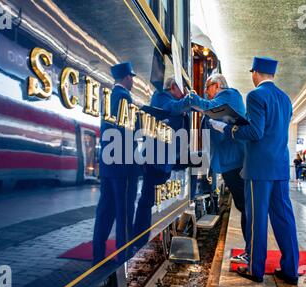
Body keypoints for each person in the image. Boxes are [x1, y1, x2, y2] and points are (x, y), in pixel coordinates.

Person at [220, 57, 300, 284]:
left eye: (252, 73)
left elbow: (256, 132)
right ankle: (291, 270)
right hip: (280, 168)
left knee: (257, 219)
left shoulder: (255, 95)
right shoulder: (285, 99)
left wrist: (230, 129)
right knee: (284, 218)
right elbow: (272, 129)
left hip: (259, 170)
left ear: (256, 72)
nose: (251, 77)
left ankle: (255, 269)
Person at [190, 74, 249, 264]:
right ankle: (251, 251)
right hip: (229, 162)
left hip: (235, 162)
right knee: (243, 206)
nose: (206, 92)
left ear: (217, 85)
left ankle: (252, 252)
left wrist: (191, 96)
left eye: (207, 88)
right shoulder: (222, 99)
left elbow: (207, 108)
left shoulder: (230, 95)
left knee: (245, 207)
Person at [132, 77, 191, 249]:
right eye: (183, 89)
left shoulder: (173, 101)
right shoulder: (161, 97)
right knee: (146, 200)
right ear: (173, 87)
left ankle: (141, 235)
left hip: (164, 160)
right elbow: (172, 109)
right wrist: (189, 100)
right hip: (154, 159)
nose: (185, 93)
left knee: (149, 200)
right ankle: (138, 238)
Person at [92, 62, 141, 264]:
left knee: (105, 210)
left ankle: (98, 255)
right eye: (132, 77)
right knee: (124, 213)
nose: (133, 81)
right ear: (127, 77)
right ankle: (125, 256)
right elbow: (131, 132)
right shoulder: (125, 98)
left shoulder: (108, 98)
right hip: (124, 167)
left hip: (108, 167)